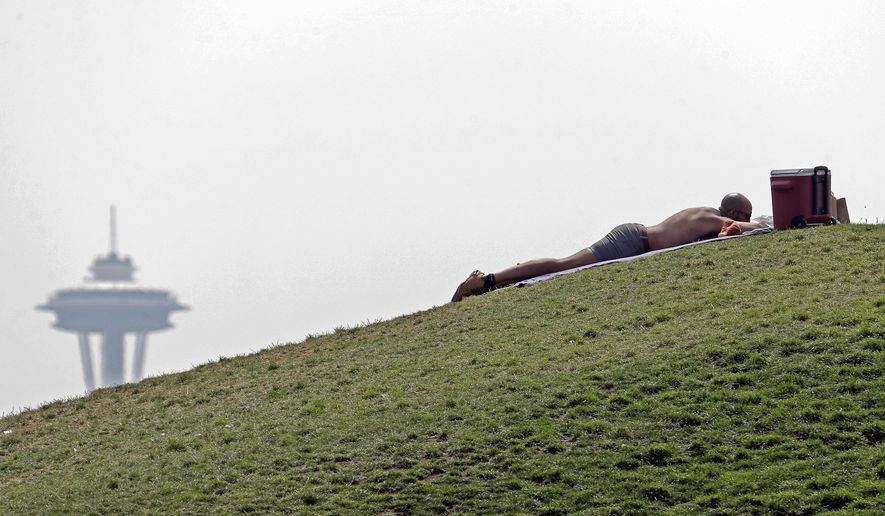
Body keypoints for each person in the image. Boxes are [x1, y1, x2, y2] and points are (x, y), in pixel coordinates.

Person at [451, 193, 764, 302]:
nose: (745, 221)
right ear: (733, 212)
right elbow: (754, 227)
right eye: (744, 216)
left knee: (564, 264)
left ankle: (495, 281)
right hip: (632, 240)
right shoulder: (711, 217)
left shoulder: (704, 213)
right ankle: (484, 281)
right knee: (564, 265)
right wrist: (764, 224)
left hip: (634, 237)